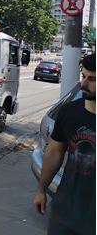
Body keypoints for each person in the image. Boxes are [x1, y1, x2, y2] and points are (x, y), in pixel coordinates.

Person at [33, 53, 96, 235]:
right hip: (65, 213)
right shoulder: (69, 112)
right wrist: (41, 190)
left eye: (93, 79)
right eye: (83, 76)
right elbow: (54, 152)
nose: (83, 84)